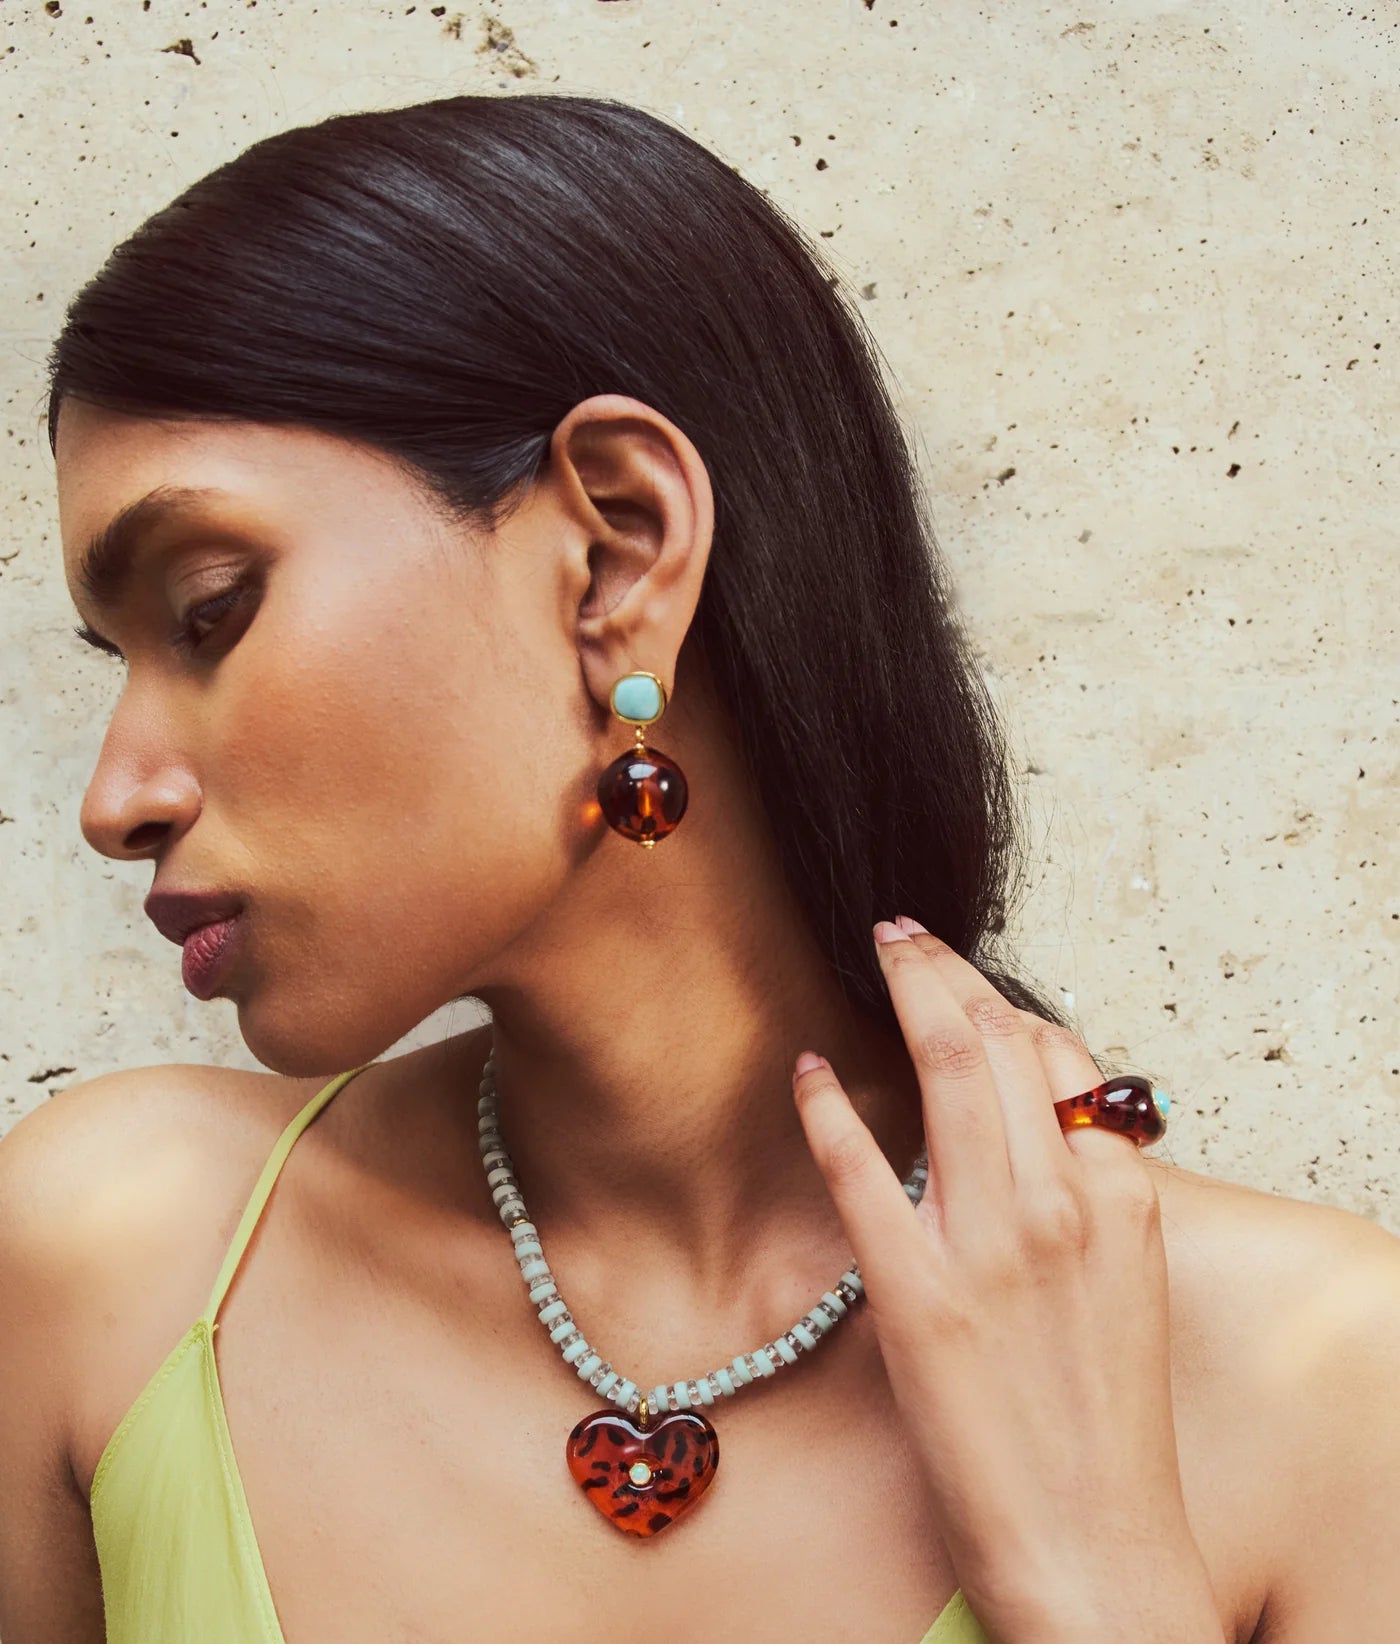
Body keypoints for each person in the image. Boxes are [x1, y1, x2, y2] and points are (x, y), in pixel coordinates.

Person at [1, 92, 1395, 1644]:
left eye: (207, 610)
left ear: (615, 550)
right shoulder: (114, 1263)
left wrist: (1098, 1576)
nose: (115, 800)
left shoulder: (1323, 1392)